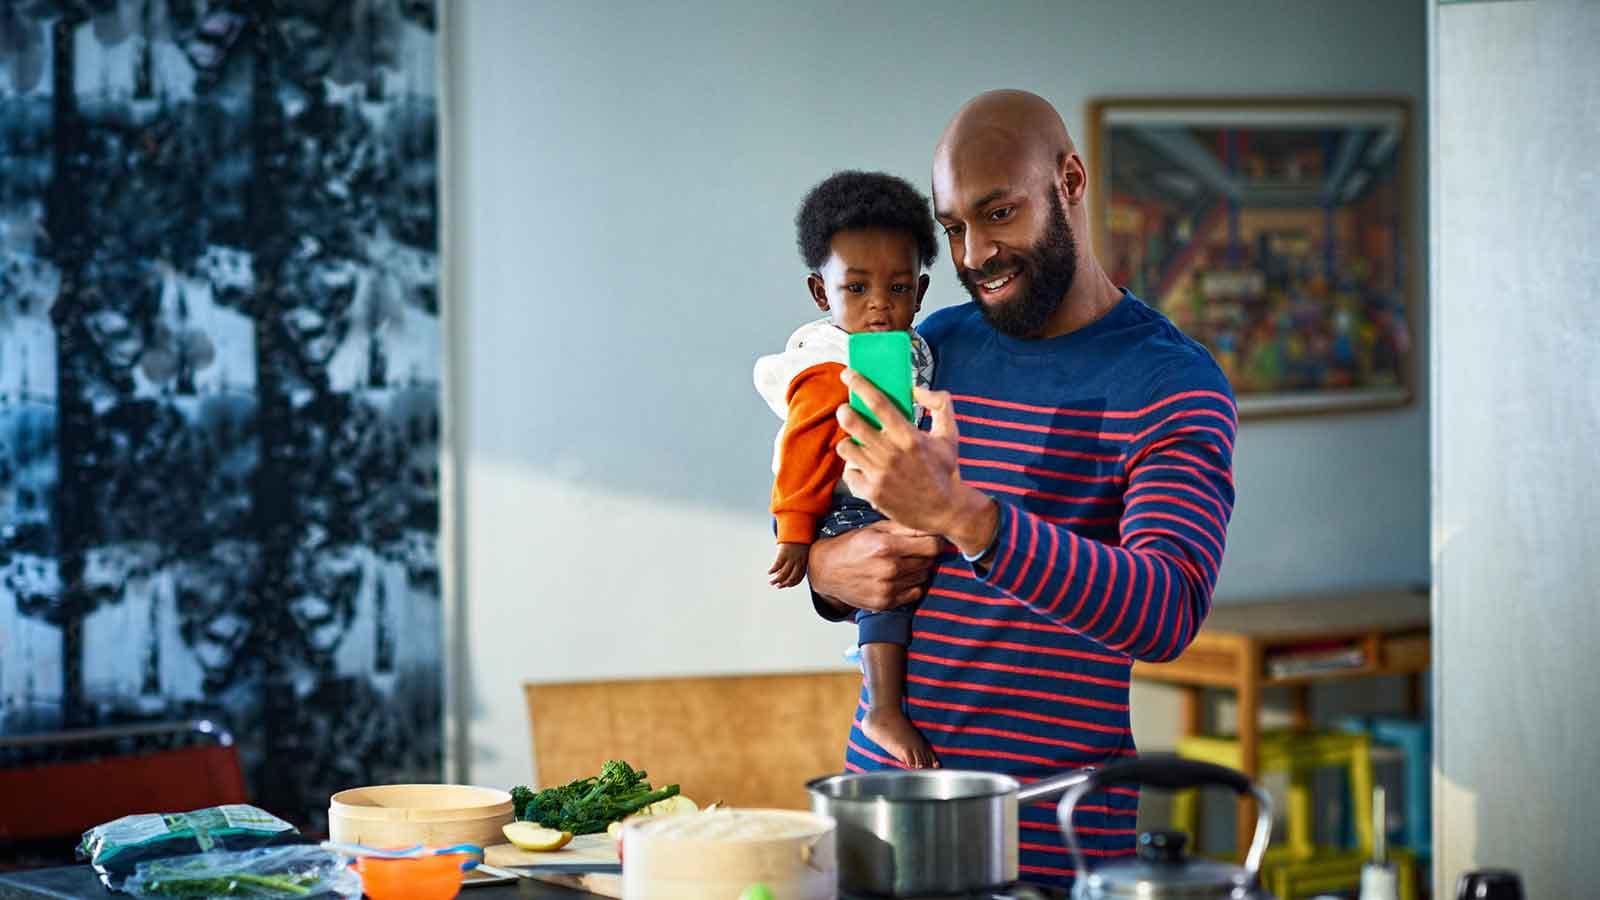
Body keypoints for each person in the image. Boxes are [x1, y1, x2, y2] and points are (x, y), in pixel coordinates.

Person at [809, 90, 1238, 887]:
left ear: (1069, 181)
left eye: (999, 213)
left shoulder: (1172, 385)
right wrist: (825, 573)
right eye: (953, 228)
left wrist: (966, 517)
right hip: (884, 807)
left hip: (1049, 831)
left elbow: (1167, 610)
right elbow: (846, 529)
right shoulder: (927, 347)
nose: (973, 255)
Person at [752, 171, 941, 769]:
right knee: (888, 598)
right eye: (855, 287)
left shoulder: (911, 344)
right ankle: (883, 706)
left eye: (898, 287)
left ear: (922, 290)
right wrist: (796, 532)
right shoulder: (828, 364)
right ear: (819, 291)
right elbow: (801, 448)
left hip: (885, 485)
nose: (879, 304)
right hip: (847, 503)